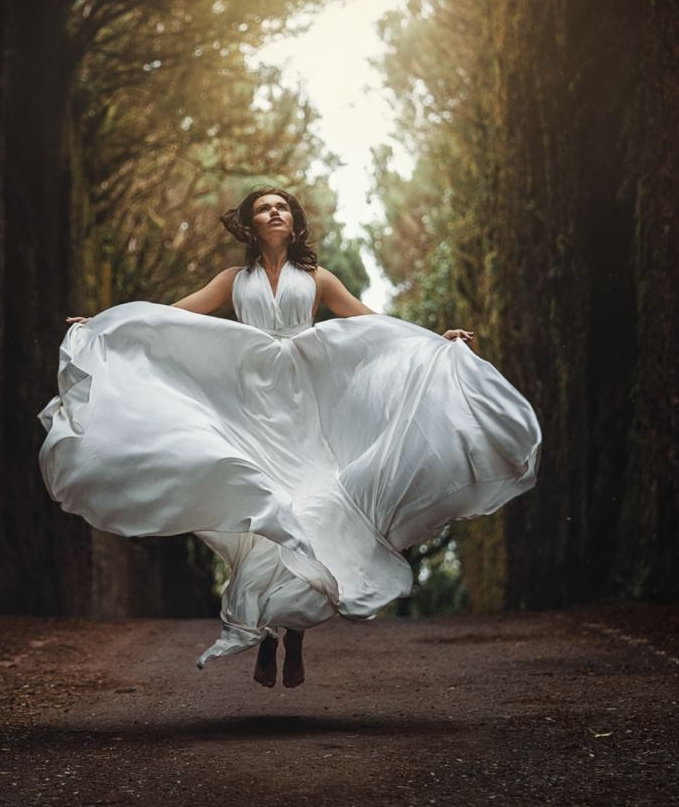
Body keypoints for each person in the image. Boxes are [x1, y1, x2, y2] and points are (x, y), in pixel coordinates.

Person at [39, 186, 541, 688]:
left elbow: (375, 323)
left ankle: (295, 636)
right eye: (264, 208)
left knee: (309, 510)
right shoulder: (232, 280)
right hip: (252, 407)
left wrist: (436, 341)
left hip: (304, 406)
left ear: (294, 223)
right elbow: (168, 317)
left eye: (282, 207)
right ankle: (263, 633)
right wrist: (105, 329)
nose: (274, 212)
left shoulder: (318, 278)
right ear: (251, 224)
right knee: (264, 511)